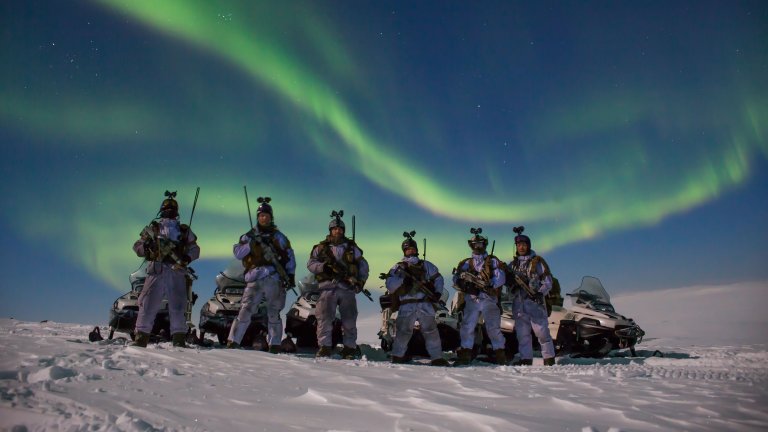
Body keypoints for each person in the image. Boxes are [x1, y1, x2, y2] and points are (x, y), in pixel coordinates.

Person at [227, 197, 296, 353]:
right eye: (261, 215)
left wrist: (290, 275)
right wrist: (251, 244)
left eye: (266, 215)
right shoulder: (248, 236)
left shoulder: (279, 237)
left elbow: (289, 256)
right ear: (258, 217)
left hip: (274, 278)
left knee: (274, 312)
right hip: (254, 277)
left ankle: (274, 344)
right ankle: (233, 341)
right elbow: (238, 253)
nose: (263, 218)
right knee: (246, 309)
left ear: (271, 217)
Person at [132, 191, 200, 348]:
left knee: (178, 306)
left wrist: (187, 258)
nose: (169, 211)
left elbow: (195, 249)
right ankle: (141, 338)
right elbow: (137, 247)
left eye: (172, 208)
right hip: (156, 269)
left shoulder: (184, 231)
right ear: (161, 210)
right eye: (166, 208)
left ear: (176, 212)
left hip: (176, 271)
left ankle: (179, 340)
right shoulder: (153, 229)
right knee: (147, 304)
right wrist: (147, 246)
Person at [307, 210, 369, 359]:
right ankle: (325, 347)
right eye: (335, 229)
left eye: (340, 229)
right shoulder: (320, 248)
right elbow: (310, 264)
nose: (337, 231)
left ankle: (349, 348)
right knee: (324, 318)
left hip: (347, 289)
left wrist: (360, 282)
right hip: (327, 287)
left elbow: (363, 266)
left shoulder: (352, 248)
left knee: (349, 319)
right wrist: (324, 267)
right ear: (330, 230)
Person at [384, 231, 449, 366]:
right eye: (408, 249)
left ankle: (437, 357)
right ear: (404, 251)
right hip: (407, 304)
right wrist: (403, 282)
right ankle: (397, 356)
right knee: (403, 332)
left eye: (412, 249)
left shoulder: (426, 265)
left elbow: (438, 278)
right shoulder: (398, 267)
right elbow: (390, 284)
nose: (410, 251)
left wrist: (437, 293)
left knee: (431, 331)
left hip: (425, 302)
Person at [452, 228, 507, 365]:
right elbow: (457, 277)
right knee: (467, 327)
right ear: (471, 245)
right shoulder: (466, 263)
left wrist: (490, 284)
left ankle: (500, 354)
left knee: (493, 328)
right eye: (475, 244)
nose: (477, 246)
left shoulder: (493, 261)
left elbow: (501, 277)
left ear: (484, 244)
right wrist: (462, 283)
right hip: (472, 299)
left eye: (480, 244)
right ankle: (465, 353)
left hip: (489, 299)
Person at [507, 226, 556, 366]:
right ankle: (526, 359)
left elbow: (548, 281)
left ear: (528, 245)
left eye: (524, 245)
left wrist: (540, 293)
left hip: (535, 303)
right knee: (522, 334)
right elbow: (506, 282)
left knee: (541, 332)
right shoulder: (513, 265)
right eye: (518, 245)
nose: (521, 247)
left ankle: (549, 358)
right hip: (519, 304)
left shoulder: (537, 262)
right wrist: (512, 284)